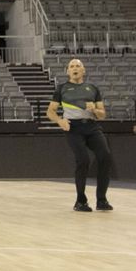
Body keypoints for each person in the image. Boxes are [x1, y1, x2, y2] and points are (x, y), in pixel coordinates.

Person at [47, 58, 113, 211]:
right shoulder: (61, 89)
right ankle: (80, 201)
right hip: (73, 128)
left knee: (105, 156)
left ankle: (102, 200)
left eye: (78, 66)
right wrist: (59, 120)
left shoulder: (93, 88)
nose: (75, 68)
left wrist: (95, 110)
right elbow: (50, 111)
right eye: (71, 66)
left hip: (91, 126)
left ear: (83, 70)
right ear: (67, 71)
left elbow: (102, 115)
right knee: (83, 160)